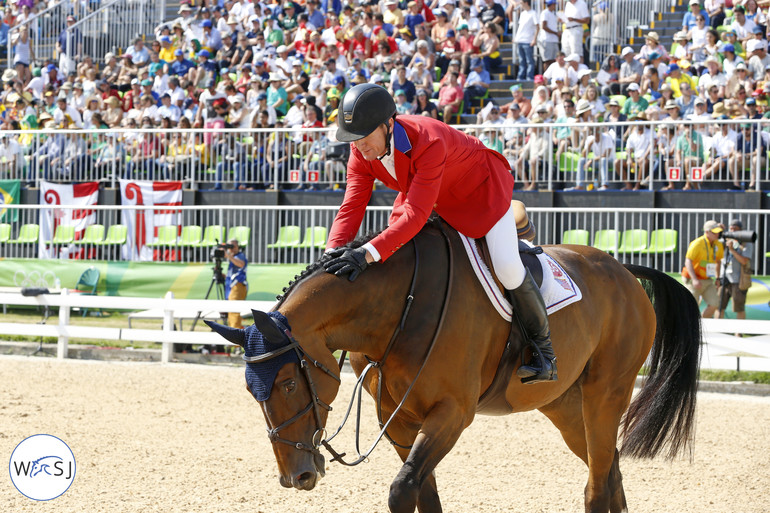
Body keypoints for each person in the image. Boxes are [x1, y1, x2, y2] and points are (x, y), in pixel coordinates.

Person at [323, 83, 556, 384]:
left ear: (388, 125)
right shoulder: (361, 149)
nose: (359, 146)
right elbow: (352, 204)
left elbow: (416, 215)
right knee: (398, 258)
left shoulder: (428, 139)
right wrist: (331, 256)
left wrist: (365, 253)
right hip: (427, 194)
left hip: (479, 193)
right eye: (353, 139)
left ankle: (544, 351)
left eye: (364, 137)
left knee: (507, 268)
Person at [682, 220, 724, 319]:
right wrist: (695, 279)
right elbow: (688, 261)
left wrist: (718, 278)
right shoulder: (697, 243)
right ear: (707, 232)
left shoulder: (718, 245)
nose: (717, 234)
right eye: (714, 232)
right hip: (693, 279)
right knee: (691, 307)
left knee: (714, 304)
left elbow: (718, 262)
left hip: (707, 279)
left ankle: (699, 325)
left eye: (718, 232)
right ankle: (692, 327)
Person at [719, 219, 753, 320]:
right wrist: (718, 230)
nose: (733, 232)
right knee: (719, 306)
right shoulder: (723, 241)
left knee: (739, 308)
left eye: (735, 229)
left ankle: (738, 334)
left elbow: (744, 261)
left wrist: (732, 250)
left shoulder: (746, 242)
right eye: (731, 229)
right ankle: (717, 332)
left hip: (738, 280)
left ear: (741, 231)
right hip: (724, 278)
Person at [224, 238, 248, 329]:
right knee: (231, 313)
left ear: (238, 247)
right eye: (230, 246)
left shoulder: (240, 255)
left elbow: (241, 264)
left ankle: (235, 341)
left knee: (234, 313)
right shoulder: (233, 258)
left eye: (233, 246)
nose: (231, 248)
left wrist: (229, 256)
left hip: (237, 286)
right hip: (232, 287)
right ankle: (234, 338)